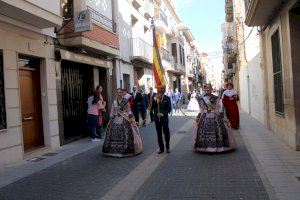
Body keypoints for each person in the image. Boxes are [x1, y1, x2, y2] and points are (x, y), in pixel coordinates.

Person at [193, 84, 236, 152]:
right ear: (204, 89)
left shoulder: (216, 98)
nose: (208, 90)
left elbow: (218, 107)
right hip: (205, 116)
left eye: (209, 88)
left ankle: (217, 147)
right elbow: (201, 108)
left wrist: (221, 116)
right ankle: (205, 147)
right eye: (206, 89)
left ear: (211, 89)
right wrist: (198, 117)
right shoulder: (202, 98)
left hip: (215, 115)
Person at [102, 88, 142, 157]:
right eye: (117, 92)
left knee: (126, 131)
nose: (119, 93)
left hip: (124, 117)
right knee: (111, 130)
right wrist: (110, 118)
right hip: (115, 118)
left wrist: (131, 117)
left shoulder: (126, 101)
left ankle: (126, 149)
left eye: (120, 92)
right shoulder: (114, 101)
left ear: (122, 93)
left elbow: (129, 110)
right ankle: (112, 149)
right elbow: (112, 110)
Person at [151, 86, 172, 154]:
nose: (159, 90)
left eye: (161, 89)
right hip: (157, 119)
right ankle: (161, 148)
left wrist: (162, 113)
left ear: (164, 90)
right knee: (159, 134)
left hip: (164, 119)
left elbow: (169, 109)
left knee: (166, 133)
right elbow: (152, 107)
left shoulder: (167, 98)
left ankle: (167, 147)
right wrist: (154, 99)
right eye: (158, 89)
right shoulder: (155, 97)